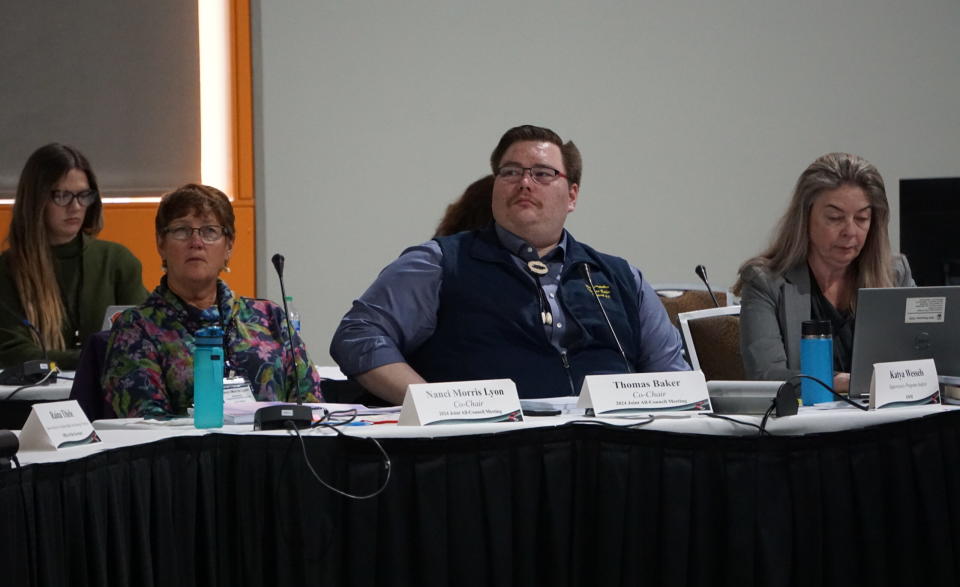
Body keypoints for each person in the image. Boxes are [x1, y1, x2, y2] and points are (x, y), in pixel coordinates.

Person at [331, 124, 687, 404]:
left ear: (573, 195)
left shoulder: (621, 276)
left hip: (612, 453)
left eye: (543, 173)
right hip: (488, 453)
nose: (524, 183)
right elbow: (359, 335)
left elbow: (674, 381)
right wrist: (428, 401)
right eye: (511, 172)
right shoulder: (440, 263)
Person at [102, 184, 324, 417]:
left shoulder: (269, 317)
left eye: (210, 231)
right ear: (161, 244)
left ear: (228, 246)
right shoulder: (136, 329)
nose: (196, 242)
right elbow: (147, 425)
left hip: (275, 449)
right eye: (182, 230)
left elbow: (310, 403)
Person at [733, 152, 915, 391]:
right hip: (809, 425)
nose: (850, 231)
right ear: (805, 217)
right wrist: (842, 382)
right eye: (835, 218)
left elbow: (923, 359)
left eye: (862, 218)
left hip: (890, 420)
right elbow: (766, 377)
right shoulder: (765, 281)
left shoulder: (895, 274)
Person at [0, 143, 148, 369]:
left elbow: (144, 339)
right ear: (36, 200)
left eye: (83, 195)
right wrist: (93, 357)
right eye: (62, 196)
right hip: (29, 400)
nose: (76, 207)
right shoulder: (8, 269)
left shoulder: (117, 261)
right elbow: (13, 352)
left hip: (104, 398)